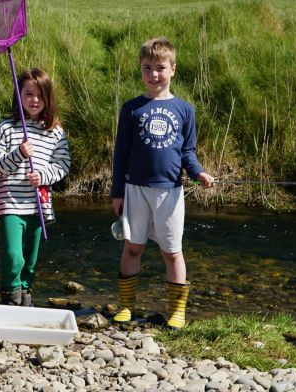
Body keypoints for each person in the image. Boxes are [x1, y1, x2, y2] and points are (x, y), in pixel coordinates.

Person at [110, 37, 214, 329]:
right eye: (147, 68)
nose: (153, 74)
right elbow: (121, 153)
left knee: (172, 251)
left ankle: (177, 312)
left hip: (170, 192)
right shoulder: (132, 108)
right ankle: (126, 307)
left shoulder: (185, 110)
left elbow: (187, 152)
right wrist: (117, 192)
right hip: (135, 190)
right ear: (141, 70)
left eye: (160, 68)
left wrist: (198, 173)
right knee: (132, 247)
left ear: (173, 69)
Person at [0, 68, 70, 306]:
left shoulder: (54, 131)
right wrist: (18, 154)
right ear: (19, 95)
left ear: (48, 98)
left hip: (38, 204)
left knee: (31, 258)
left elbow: (62, 164)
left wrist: (44, 176)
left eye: (40, 95)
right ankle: (10, 292)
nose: (35, 100)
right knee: (14, 255)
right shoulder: (6, 128)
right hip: (11, 202)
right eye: (29, 94)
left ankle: (25, 291)